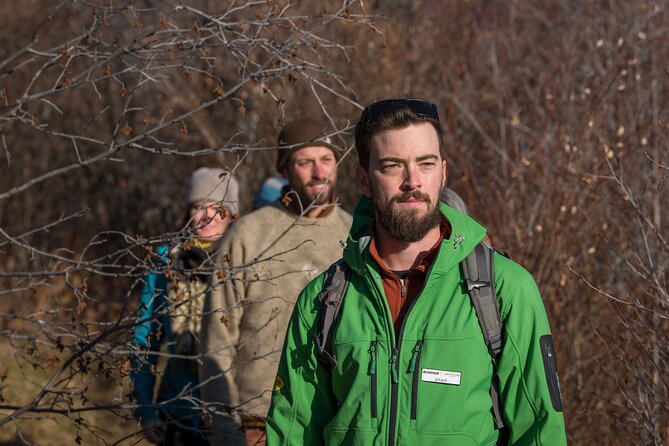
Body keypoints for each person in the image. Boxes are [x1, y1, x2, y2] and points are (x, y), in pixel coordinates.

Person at [266, 98, 567, 445]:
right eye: (393, 166)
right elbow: (293, 434)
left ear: (443, 172)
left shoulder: (504, 290)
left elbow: (540, 432)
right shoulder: (322, 301)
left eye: (425, 163)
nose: (412, 181)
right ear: (364, 180)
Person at [199, 118, 353, 445]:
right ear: (285, 169)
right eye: (305, 162)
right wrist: (223, 426)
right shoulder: (249, 236)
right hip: (257, 424)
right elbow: (217, 338)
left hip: (335, 421)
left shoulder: (355, 237)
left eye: (327, 160)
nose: (319, 172)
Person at [131, 167, 240, 446]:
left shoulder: (244, 262)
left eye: (218, 208)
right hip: (178, 410)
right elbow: (145, 337)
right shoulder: (167, 261)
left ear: (233, 216)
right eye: (198, 206)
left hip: (235, 410)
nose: (207, 217)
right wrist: (146, 408)